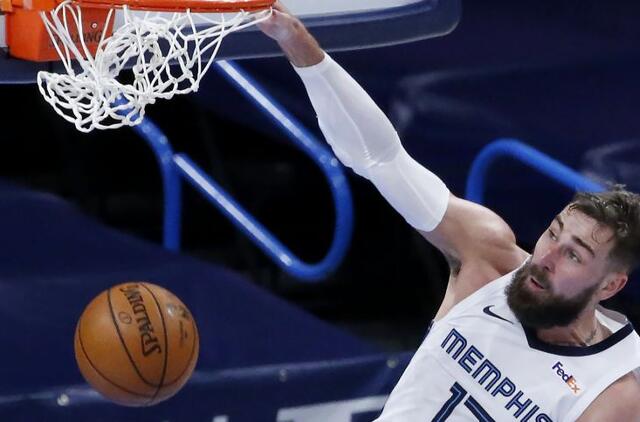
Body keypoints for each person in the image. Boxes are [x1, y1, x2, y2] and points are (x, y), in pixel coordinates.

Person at [258, 3, 640, 421]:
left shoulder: (613, 392)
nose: (546, 256)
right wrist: (299, 44)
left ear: (610, 285)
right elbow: (379, 159)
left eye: (574, 255)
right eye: (554, 232)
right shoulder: (487, 256)